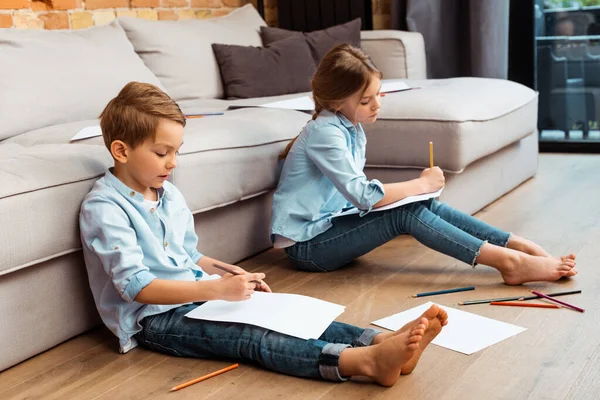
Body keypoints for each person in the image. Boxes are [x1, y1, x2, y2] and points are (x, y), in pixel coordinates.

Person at [79, 81, 447, 387]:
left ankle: (381, 341)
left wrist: (231, 274)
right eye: (162, 153)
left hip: (197, 293)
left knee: (282, 312)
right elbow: (137, 287)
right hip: (155, 320)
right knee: (250, 337)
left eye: (177, 151)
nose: (173, 163)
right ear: (121, 150)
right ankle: (361, 362)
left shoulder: (166, 192)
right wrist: (215, 289)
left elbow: (190, 257)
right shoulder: (104, 209)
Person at [271, 44, 577, 285]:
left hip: (329, 228)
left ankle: (513, 245)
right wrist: (420, 184)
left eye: (379, 94)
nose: (377, 105)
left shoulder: (349, 128)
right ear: (337, 102)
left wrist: (420, 191)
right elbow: (362, 196)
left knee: (424, 203)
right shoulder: (324, 132)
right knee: (407, 210)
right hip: (308, 248)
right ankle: (510, 263)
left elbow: (358, 200)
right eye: (366, 100)